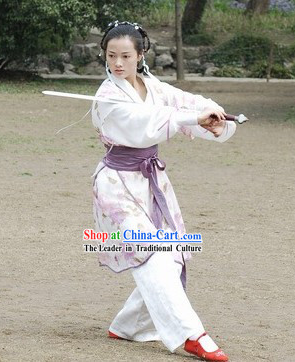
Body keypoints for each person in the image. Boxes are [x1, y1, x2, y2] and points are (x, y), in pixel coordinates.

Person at [91, 20, 236, 361]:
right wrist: (190, 118)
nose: (117, 63)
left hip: (151, 180)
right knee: (152, 250)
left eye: (126, 56)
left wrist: (212, 119)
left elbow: (184, 102)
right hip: (116, 184)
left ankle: (129, 325)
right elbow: (145, 124)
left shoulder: (153, 86)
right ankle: (191, 334)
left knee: (171, 252)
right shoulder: (107, 95)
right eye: (111, 56)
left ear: (140, 55)